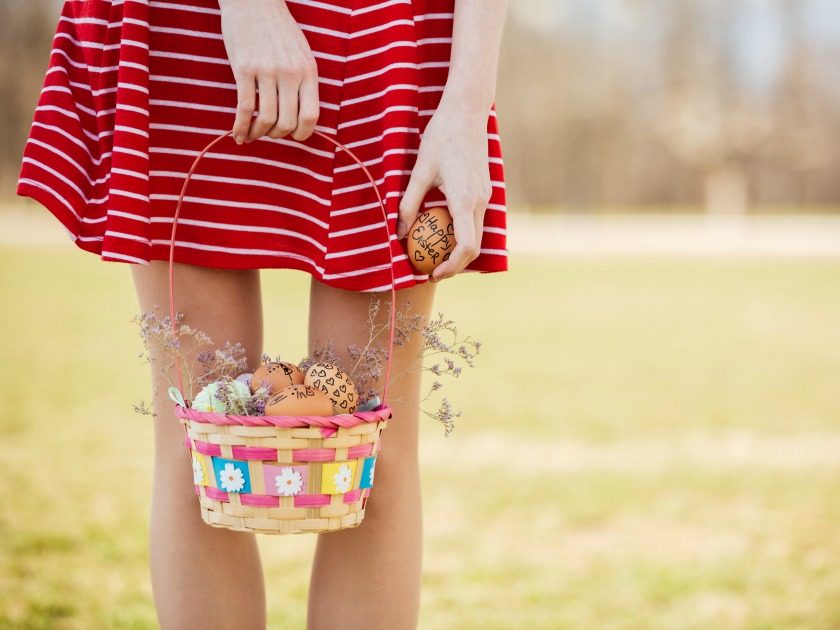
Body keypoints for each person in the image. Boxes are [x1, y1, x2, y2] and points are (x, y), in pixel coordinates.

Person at [16, 0, 509, 627]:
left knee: (368, 453)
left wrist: (467, 104)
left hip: (391, 29)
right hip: (190, 22)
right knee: (203, 445)